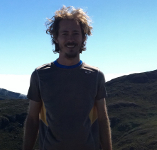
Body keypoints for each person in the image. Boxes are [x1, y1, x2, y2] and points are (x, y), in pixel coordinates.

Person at [23, 6, 113, 150]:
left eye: (75, 33)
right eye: (64, 33)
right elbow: (33, 119)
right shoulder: (40, 75)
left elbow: (102, 119)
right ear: (56, 38)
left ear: (84, 37)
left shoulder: (95, 76)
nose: (70, 39)